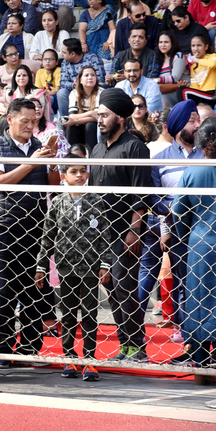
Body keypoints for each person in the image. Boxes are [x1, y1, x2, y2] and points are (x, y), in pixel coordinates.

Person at [0, 98, 59, 363]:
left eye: (34, 121)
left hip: (37, 226)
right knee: (4, 289)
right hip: (6, 227)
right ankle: (2, 348)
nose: (30, 126)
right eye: (25, 121)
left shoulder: (39, 146)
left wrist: (50, 161)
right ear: (10, 119)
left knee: (34, 288)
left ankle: (29, 347)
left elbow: (53, 185)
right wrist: (32, 163)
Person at [89, 88, 153, 362]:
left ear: (120, 118)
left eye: (104, 115)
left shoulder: (135, 147)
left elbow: (141, 195)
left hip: (124, 231)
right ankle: (125, 343)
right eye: (98, 115)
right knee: (111, 289)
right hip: (98, 232)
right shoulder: (97, 148)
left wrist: (134, 231)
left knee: (124, 287)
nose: (99, 120)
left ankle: (136, 346)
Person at [34, 155, 112, 380]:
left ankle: (89, 360)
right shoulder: (58, 203)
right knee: (67, 315)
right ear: (63, 176)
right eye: (73, 171)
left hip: (90, 267)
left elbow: (104, 237)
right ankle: (69, 358)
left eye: (82, 171)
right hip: (66, 267)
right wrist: (41, 266)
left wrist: (104, 264)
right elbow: (47, 238)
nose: (79, 175)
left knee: (89, 314)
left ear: (88, 174)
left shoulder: (96, 201)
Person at [171, 116, 216, 368]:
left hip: (199, 243)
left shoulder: (191, 171)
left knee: (198, 298)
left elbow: (178, 211)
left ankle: (198, 356)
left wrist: (187, 233)